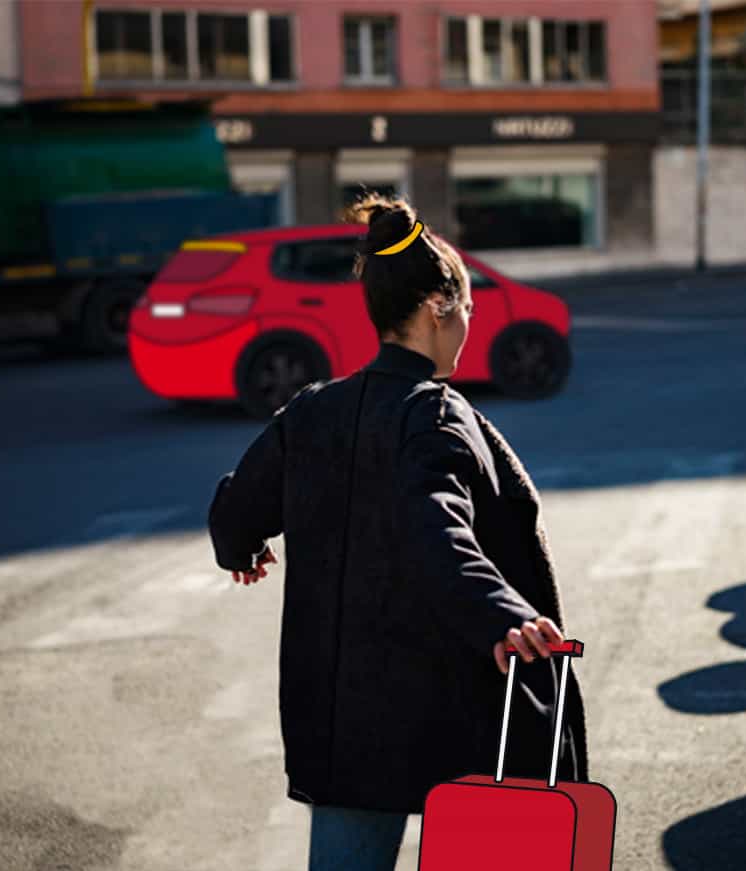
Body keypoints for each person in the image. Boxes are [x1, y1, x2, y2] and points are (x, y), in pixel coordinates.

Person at [208, 193, 588, 871]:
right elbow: (435, 531)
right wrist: (503, 615)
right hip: (449, 712)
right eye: (466, 303)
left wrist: (243, 548)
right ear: (439, 306)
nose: (470, 318)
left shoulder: (311, 412)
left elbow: (237, 513)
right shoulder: (437, 415)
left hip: (343, 721)